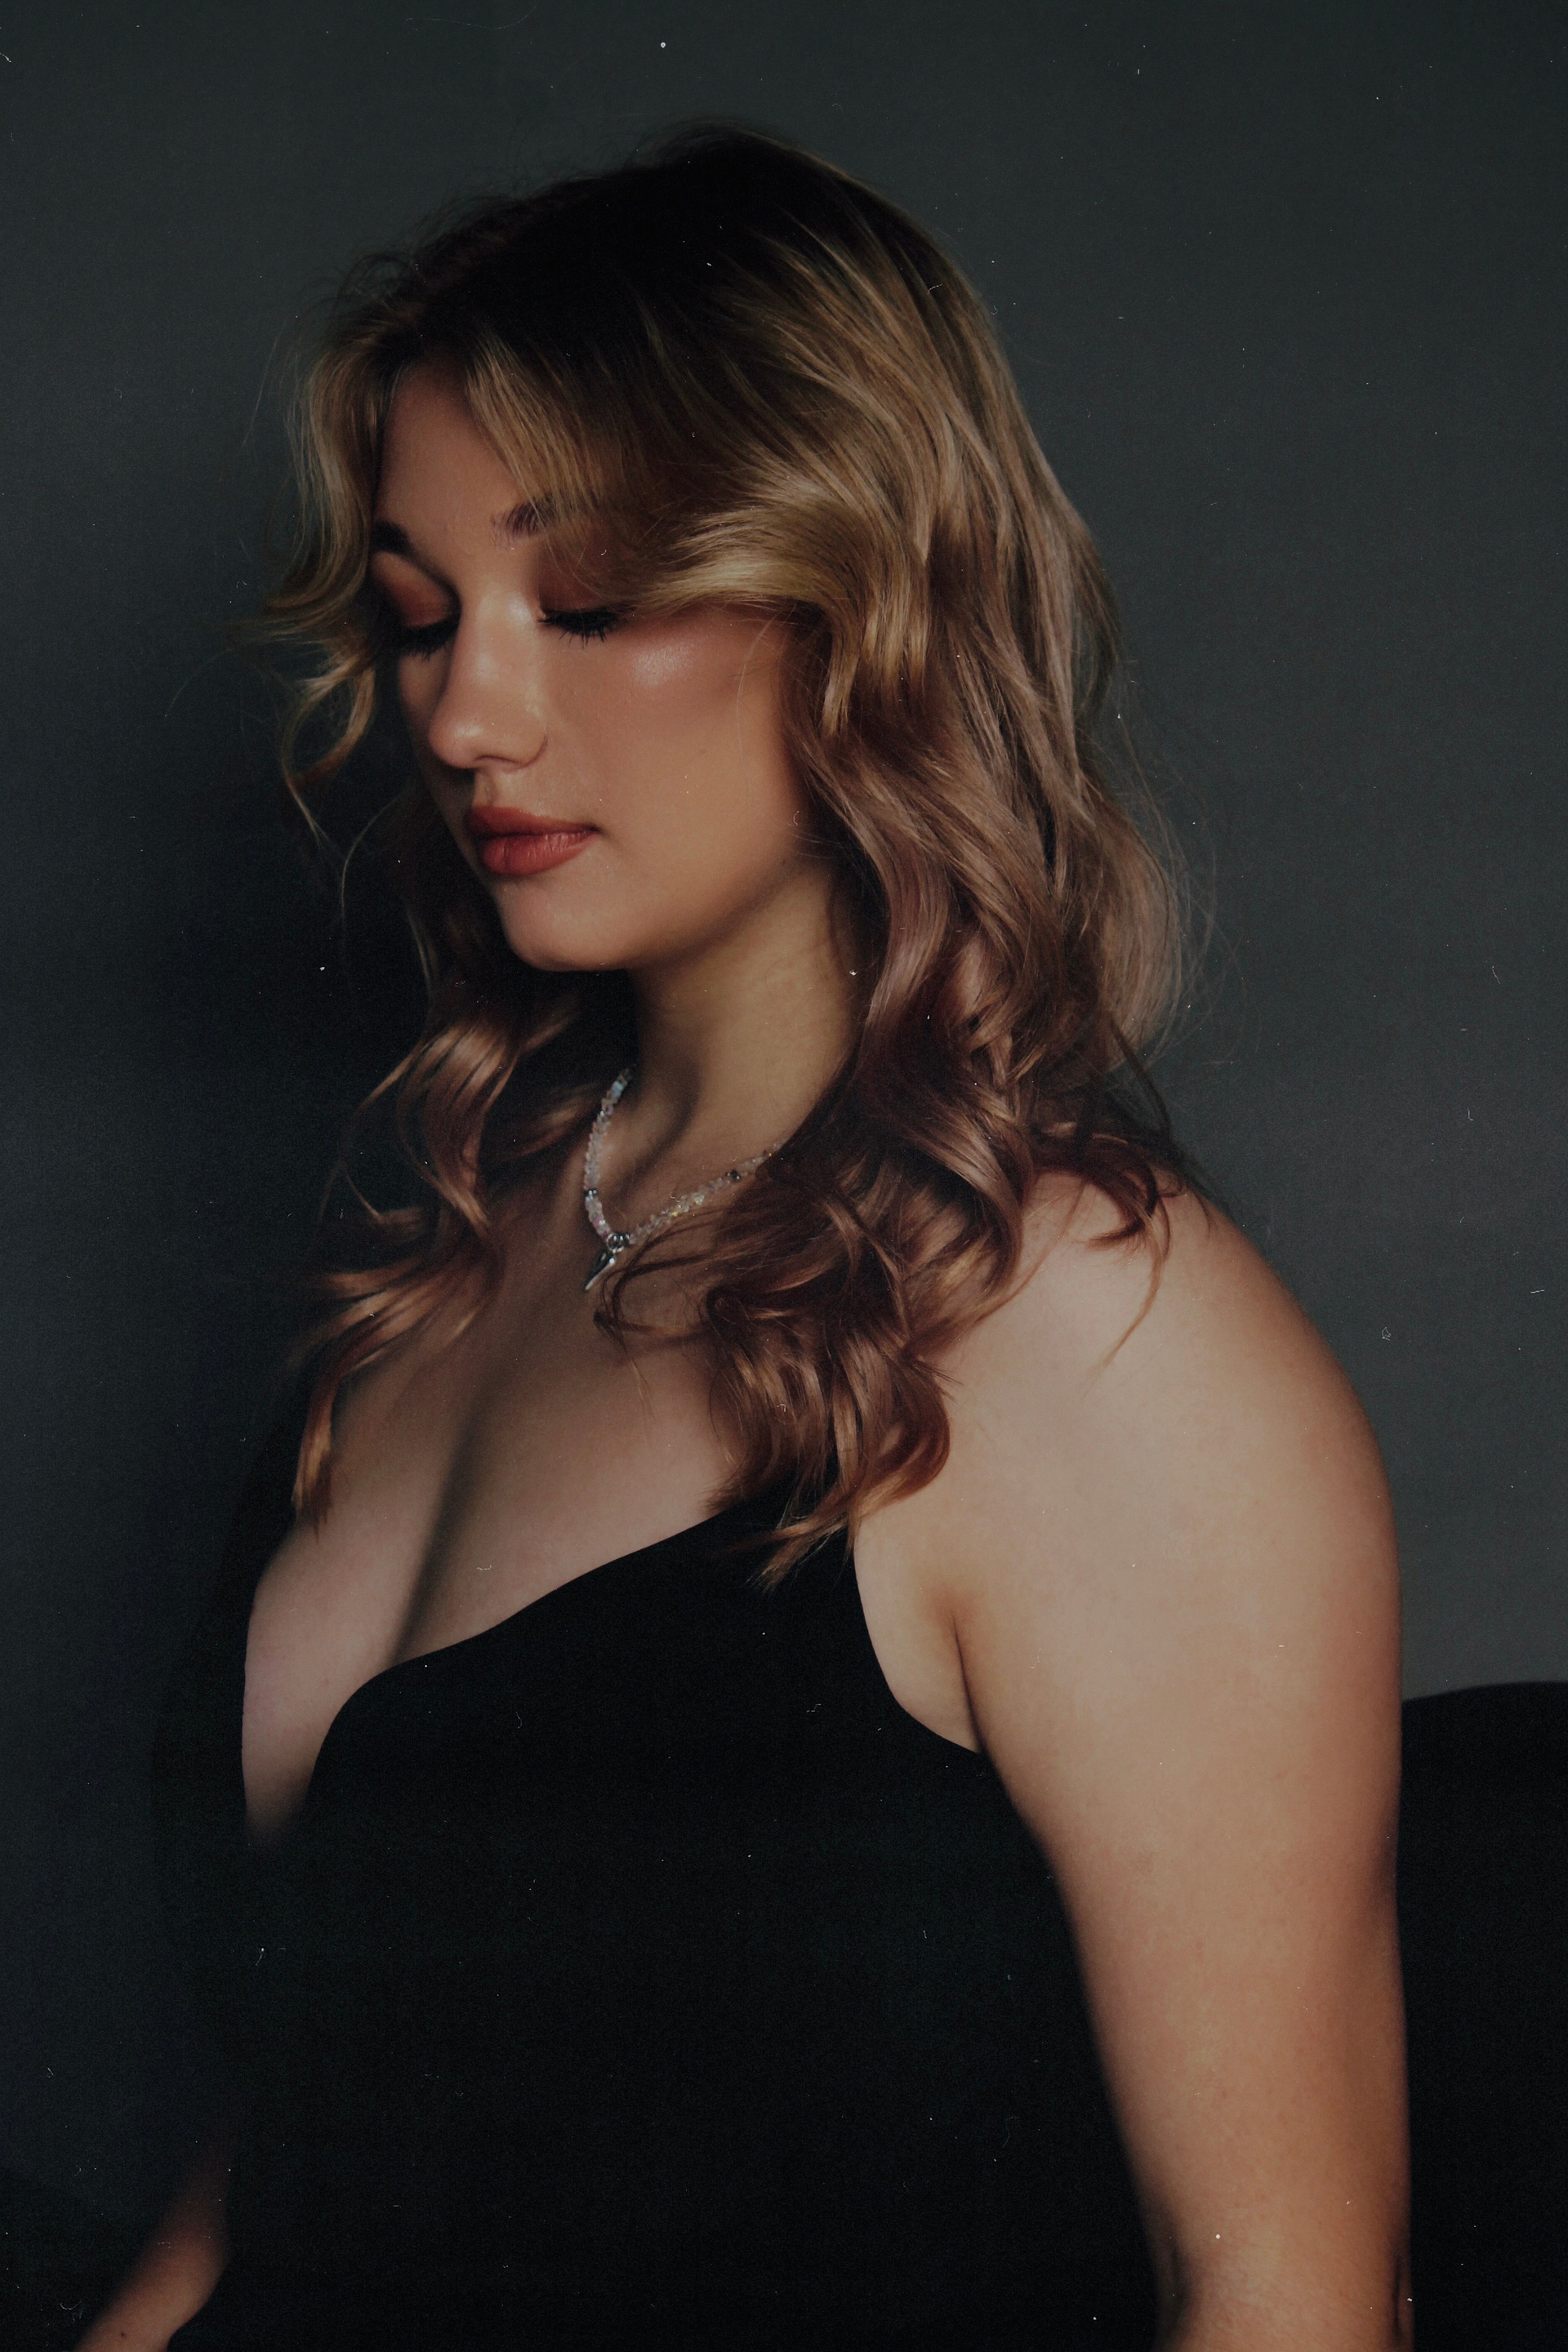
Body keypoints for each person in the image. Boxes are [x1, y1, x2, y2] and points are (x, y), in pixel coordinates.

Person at [82, 127, 1410, 2352]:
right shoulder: (457, 1260)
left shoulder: (1088, 1329)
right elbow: (326, 2134)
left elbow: (1291, 2295)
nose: (467, 714)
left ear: (863, 602)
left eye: (589, 602)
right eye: (420, 616)